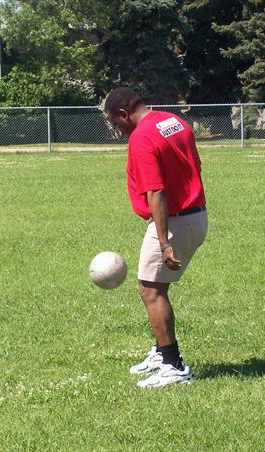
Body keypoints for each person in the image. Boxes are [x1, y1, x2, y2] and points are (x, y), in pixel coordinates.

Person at [104, 87, 208, 388]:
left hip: (174, 220)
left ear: (124, 114)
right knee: (155, 287)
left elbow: (156, 191)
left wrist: (164, 242)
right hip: (195, 213)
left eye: (115, 123)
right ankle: (160, 352)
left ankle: (174, 364)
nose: (118, 130)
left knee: (150, 291)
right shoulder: (172, 121)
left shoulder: (141, 137)